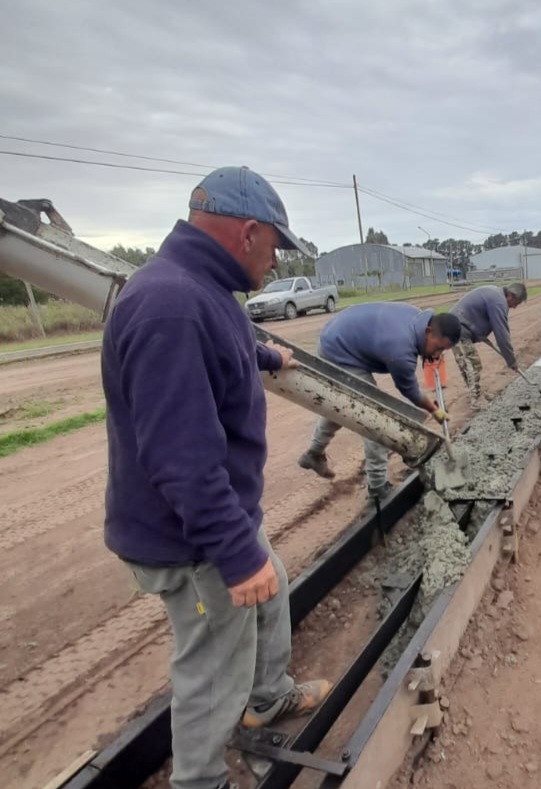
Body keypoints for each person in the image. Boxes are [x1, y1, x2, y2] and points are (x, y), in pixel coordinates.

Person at [101, 166, 329, 789]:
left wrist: (265, 354)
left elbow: (219, 349)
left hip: (208, 523)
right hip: (188, 540)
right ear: (247, 232)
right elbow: (180, 456)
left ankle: (269, 696)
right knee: (210, 666)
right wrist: (233, 552)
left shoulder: (199, 289)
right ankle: (201, 780)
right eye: (276, 247)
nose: (276, 263)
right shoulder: (170, 305)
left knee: (273, 582)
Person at [297, 304, 461, 502]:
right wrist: (434, 410)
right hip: (339, 352)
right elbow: (409, 391)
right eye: (438, 348)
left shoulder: (418, 318)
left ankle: (314, 453)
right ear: (428, 331)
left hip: (336, 334)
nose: (437, 355)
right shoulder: (401, 348)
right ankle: (377, 486)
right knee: (375, 417)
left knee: (343, 402)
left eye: (443, 351)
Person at [449, 282, 527, 408]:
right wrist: (511, 361)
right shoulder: (499, 302)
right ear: (511, 296)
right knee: (471, 363)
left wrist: (479, 333)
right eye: (516, 303)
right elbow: (502, 335)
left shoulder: (495, 294)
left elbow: (478, 314)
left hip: (459, 325)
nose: (514, 307)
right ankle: (476, 400)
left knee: (468, 363)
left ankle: (476, 394)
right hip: (457, 328)